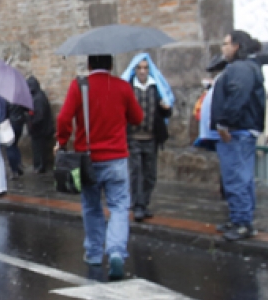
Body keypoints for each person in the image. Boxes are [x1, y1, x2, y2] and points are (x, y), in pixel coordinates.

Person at [56, 54, 143, 281]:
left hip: (88, 159)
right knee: (119, 206)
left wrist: (62, 141)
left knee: (92, 206)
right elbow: (137, 117)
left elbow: (64, 119)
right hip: (116, 159)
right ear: (112, 65)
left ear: (89, 65)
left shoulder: (79, 86)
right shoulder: (123, 87)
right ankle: (115, 251)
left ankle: (94, 253)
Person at [211, 30, 266, 241]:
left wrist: (224, 123)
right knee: (241, 177)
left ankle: (242, 222)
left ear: (236, 46)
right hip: (241, 130)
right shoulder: (246, 67)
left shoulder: (240, 68)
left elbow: (237, 95)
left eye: (225, 43)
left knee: (236, 178)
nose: (223, 48)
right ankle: (239, 218)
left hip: (237, 132)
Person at [123, 55, 173, 222]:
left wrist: (166, 109)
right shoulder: (129, 88)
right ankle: (137, 205)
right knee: (136, 172)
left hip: (151, 138)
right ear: (134, 70)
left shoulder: (156, 88)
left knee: (150, 174)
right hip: (133, 137)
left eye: (145, 68)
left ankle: (144, 202)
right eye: (139, 68)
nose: (143, 71)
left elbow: (165, 112)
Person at [25, 76, 54, 173]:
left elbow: (39, 115)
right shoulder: (38, 96)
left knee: (39, 149)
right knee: (38, 148)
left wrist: (32, 123)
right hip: (40, 129)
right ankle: (38, 166)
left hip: (40, 129)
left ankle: (40, 167)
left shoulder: (38, 98)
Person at [5, 102, 27, 178]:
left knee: (10, 146)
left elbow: (5, 112)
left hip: (11, 124)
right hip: (19, 123)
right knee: (14, 144)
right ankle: (18, 164)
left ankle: (14, 170)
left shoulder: (7, 99)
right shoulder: (19, 98)